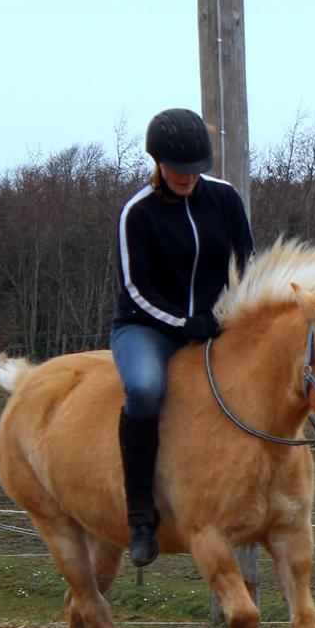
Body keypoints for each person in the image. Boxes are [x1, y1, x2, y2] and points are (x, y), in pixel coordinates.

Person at [111, 107, 254, 566]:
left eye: (195, 170)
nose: (187, 178)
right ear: (157, 162)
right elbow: (136, 288)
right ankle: (139, 517)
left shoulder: (225, 199)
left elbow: (247, 265)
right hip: (147, 327)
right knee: (145, 390)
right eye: (178, 169)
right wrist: (184, 324)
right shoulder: (138, 213)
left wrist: (235, 315)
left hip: (215, 326)